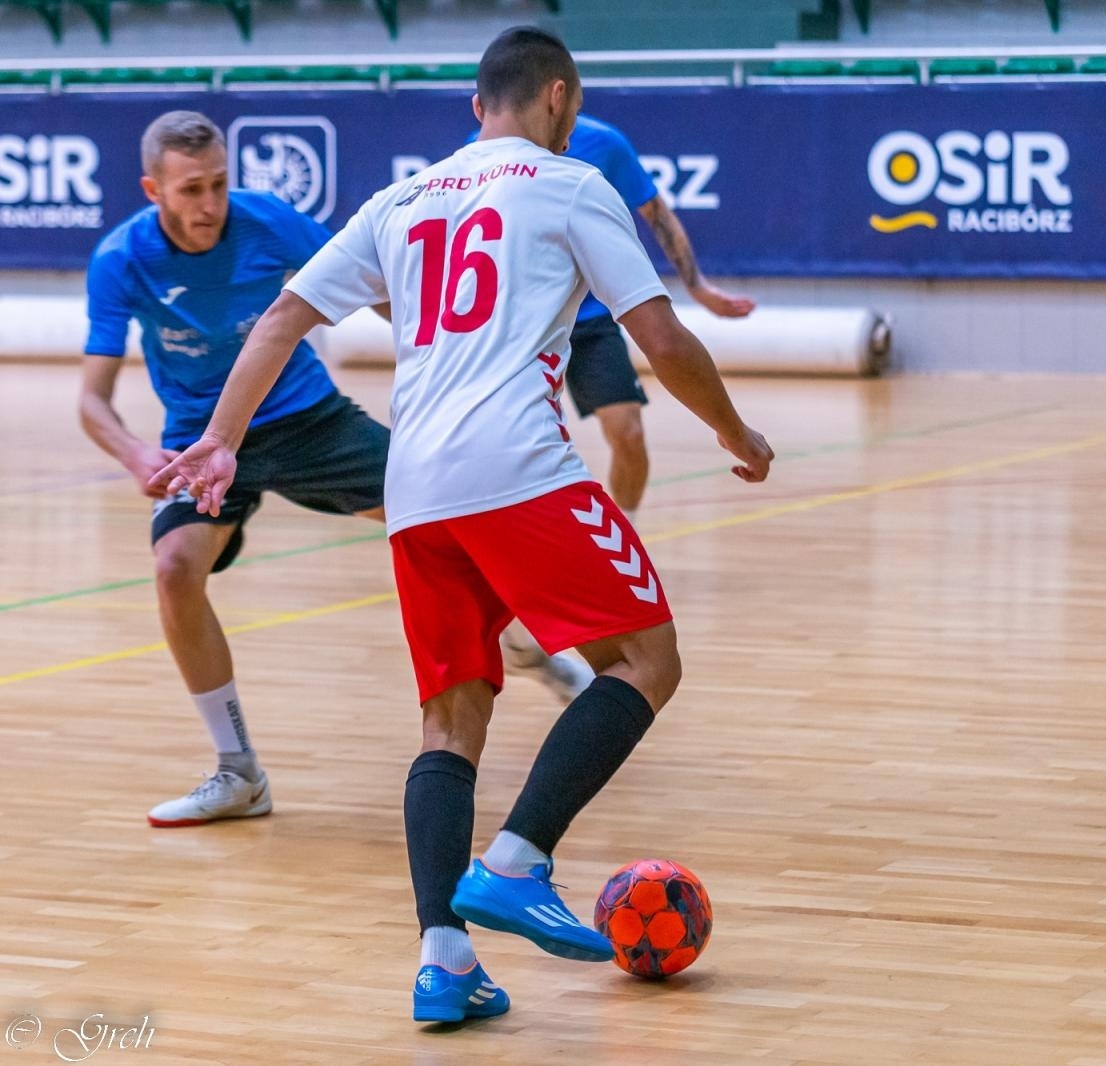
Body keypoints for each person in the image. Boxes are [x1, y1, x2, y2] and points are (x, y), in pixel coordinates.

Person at [150, 27, 773, 1024]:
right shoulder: (571, 183)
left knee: (450, 718)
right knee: (645, 660)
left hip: (416, 486)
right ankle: (519, 858)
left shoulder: (399, 200)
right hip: (516, 468)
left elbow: (280, 320)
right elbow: (659, 335)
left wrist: (221, 438)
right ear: (560, 99)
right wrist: (736, 431)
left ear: (476, 107)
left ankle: (445, 964)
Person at [80, 110, 391, 828]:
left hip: (306, 417)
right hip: (199, 443)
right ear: (153, 190)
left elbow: (375, 292)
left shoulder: (270, 221)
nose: (210, 204)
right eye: (191, 189)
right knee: (173, 570)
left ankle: (522, 646)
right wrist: (136, 453)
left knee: (442, 515)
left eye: (219, 184)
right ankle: (240, 772)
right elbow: (92, 402)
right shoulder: (120, 258)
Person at [495, 113, 755, 698]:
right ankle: (516, 619)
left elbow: (657, 214)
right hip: (518, 325)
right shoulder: (485, 149)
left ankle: (619, 544)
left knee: (629, 433)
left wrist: (698, 287)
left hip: (587, 319)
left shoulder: (603, 143)